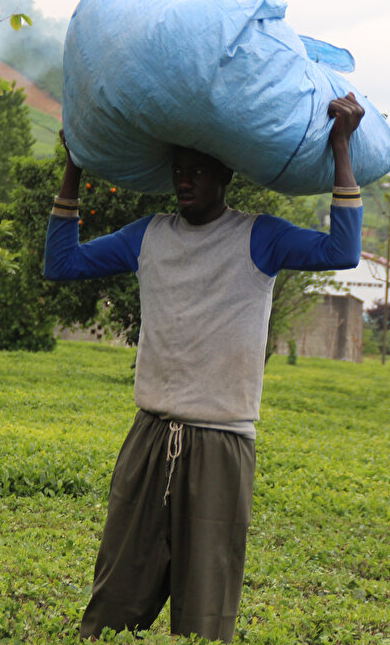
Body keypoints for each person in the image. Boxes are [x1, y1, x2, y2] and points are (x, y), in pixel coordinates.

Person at [44, 93, 366, 642]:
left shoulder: (259, 236)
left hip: (221, 444)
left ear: (225, 177)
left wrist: (340, 145)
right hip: (149, 438)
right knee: (114, 596)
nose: (184, 181)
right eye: (178, 172)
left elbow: (343, 249)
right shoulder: (148, 235)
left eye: (197, 171)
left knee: (205, 611)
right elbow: (62, 262)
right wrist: (74, 166)